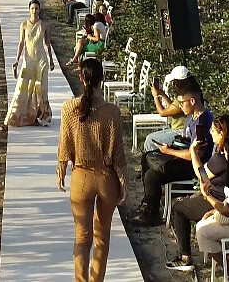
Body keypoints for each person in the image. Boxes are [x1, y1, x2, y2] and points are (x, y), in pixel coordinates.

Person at [57, 57, 129, 282]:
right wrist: (123, 182)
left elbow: (64, 144)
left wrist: (61, 168)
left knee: (82, 238)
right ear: (102, 79)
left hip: (80, 177)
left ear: (80, 78)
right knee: (102, 238)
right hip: (106, 178)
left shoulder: (69, 109)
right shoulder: (112, 112)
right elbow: (118, 153)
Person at [165, 115, 229, 274]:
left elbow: (202, 176)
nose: (210, 132)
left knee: (186, 215)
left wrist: (193, 154)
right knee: (203, 222)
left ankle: (226, 271)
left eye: (212, 130)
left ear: (222, 133)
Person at [135, 80, 213, 226]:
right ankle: (148, 203)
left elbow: (196, 155)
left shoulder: (203, 122)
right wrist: (171, 147)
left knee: (152, 176)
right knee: (147, 157)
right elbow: (186, 141)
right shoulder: (191, 116)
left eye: (182, 103)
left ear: (192, 100)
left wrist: (169, 151)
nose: (181, 106)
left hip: (195, 167)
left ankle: (151, 214)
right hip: (183, 158)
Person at [5, 0, 55, 127]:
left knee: (41, 88)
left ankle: (43, 114)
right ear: (29, 10)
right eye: (32, 8)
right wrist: (17, 60)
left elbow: (47, 44)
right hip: (29, 60)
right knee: (24, 88)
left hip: (41, 60)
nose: (34, 11)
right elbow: (21, 43)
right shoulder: (24, 25)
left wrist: (51, 60)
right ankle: (25, 114)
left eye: (37, 8)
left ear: (39, 10)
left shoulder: (44, 25)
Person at [144, 67, 192, 152]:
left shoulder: (184, 97)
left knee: (150, 140)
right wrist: (163, 95)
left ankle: (152, 162)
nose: (172, 84)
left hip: (181, 131)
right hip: (179, 129)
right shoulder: (188, 92)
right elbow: (172, 109)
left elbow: (163, 113)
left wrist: (155, 96)